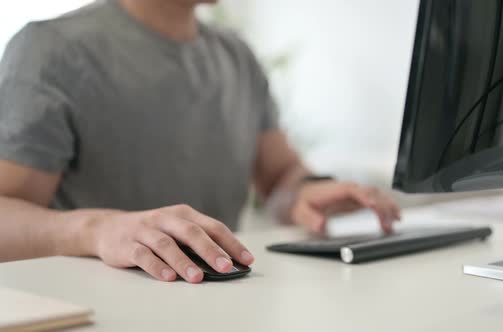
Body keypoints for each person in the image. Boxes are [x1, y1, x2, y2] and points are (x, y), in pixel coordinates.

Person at [0, 0, 400, 283]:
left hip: (219, 306)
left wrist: (305, 193)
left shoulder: (236, 57)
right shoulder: (51, 51)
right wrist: (98, 229)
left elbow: (279, 177)